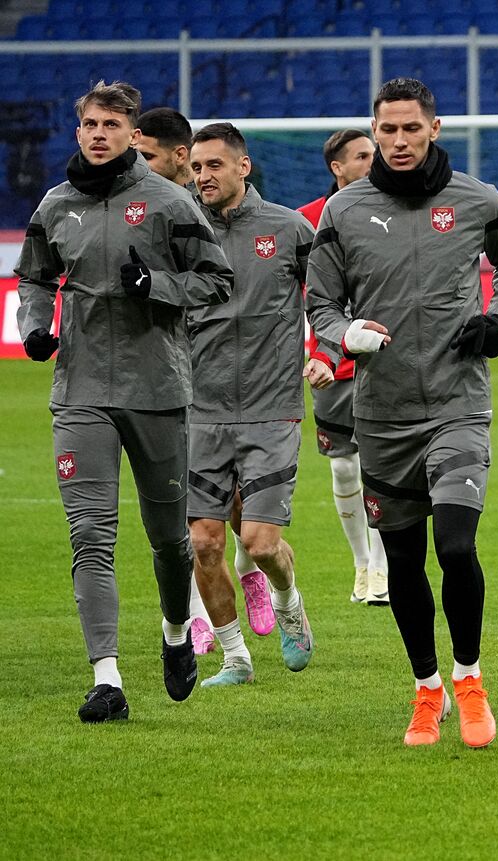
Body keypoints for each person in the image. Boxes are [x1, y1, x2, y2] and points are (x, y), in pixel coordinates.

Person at [307, 78, 498, 747]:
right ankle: (426, 687)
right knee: (403, 562)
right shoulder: (342, 212)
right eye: (387, 130)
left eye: (411, 128)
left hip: (458, 403)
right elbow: (320, 301)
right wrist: (343, 334)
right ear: (373, 132)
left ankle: (469, 678)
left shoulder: (477, 199)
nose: (399, 141)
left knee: (456, 544)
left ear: (435, 128)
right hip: (379, 410)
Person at [15, 81, 234, 722]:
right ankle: (107, 679)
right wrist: (34, 322)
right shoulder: (55, 206)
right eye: (90, 123)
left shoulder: (169, 202)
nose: (100, 133)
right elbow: (33, 277)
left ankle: (173, 635)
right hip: (80, 392)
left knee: (170, 540)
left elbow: (216, 282)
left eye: (112, 123)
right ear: (77, 130)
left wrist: (157, 285)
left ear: (132, 132)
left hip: (157, 391)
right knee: (89, 535)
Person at [134, 106, 272, 656]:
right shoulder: (151, 217)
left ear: (179, 157)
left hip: (249, 389)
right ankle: (197, 617)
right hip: (179, 385)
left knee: (242, 515)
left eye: (145, 156)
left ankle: (256, 572)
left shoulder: (230, 219)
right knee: (189, 520)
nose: (136, 164)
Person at [186, 122, 317, 686]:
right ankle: (235, 658)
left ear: (244, 166)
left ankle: (289, 606)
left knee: (260, 544)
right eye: (195, 167)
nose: (203, 176)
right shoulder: (180, 231)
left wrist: (330, 350)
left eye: (214, 165)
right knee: (203, 542)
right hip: (199, 409)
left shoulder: (288, 229)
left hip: (271, 407)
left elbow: (333, 294)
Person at [298, 129, 390, 606]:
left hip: (383, 359)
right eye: (362, 156)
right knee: (343, 470)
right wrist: (311, 354)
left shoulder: (391, 209)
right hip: (331, 364)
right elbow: (289, 301)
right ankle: (360, 560)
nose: (372, 161)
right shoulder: (305, 222)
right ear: (337, 167)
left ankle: (381, 567)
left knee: (382, 465)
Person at [134, 107, 195, 188]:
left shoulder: (210, 198)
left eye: (147, 157)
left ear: (179, 155)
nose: (137, 164)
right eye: (135, 157)